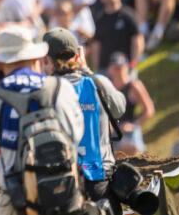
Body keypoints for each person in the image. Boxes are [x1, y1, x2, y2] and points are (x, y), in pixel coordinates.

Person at [0, 26, 85, 215]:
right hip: (65, 196)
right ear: (36, 59)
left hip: (18, 204)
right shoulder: (60, 89)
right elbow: (77, 134)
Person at [43, 28, 127, 203]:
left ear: (46, 59)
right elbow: (120, 109)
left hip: (64, 182)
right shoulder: (98, 82)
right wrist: (87, 70)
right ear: (77, 56)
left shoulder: (45, 91)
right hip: (101, 179)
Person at [107, 53, 155, 153]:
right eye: (116, 68)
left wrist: (134, 125)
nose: (118, 71)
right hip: (113, 130)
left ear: (126, 67)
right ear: (110, 69)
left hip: (128, 131)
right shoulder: (108, 87)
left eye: (121, 68)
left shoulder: (134, 86)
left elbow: (149, 110)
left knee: (127, 146)